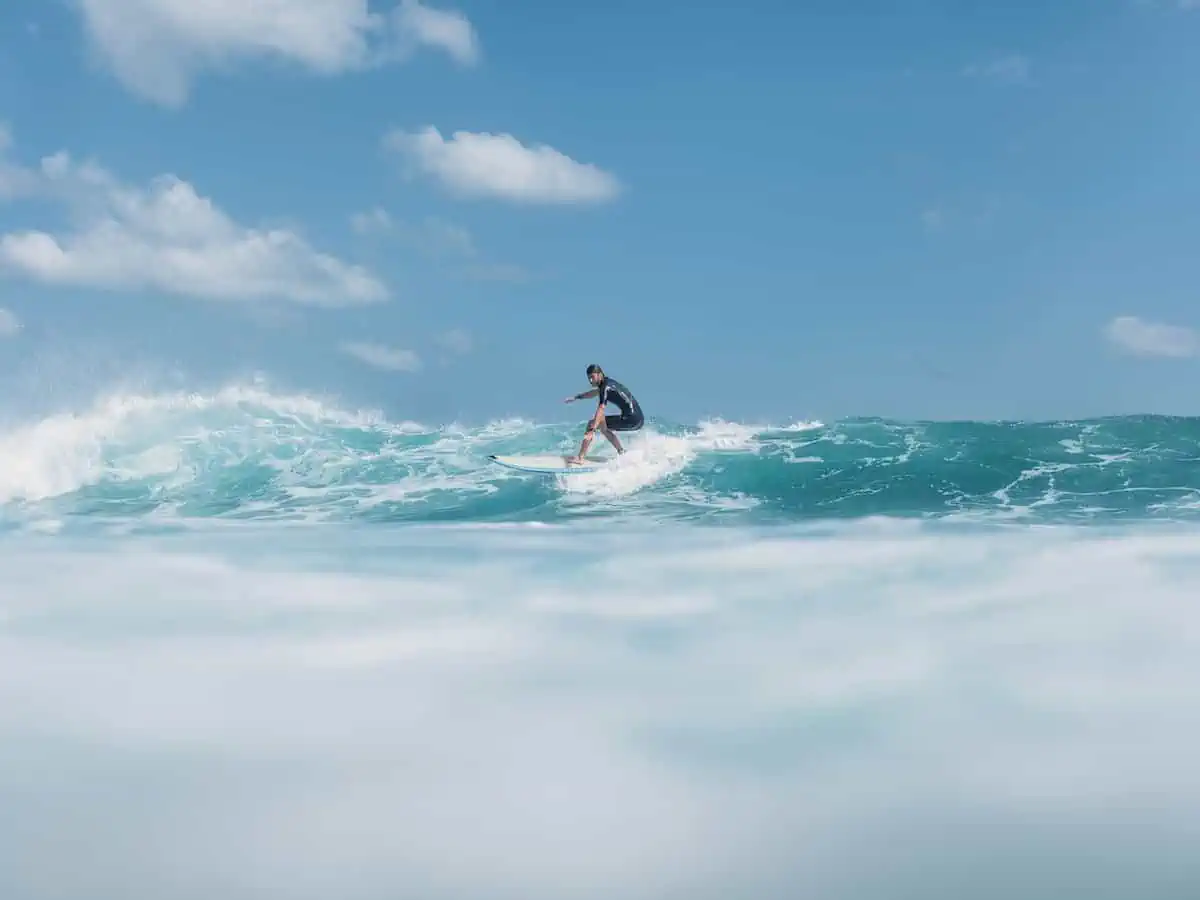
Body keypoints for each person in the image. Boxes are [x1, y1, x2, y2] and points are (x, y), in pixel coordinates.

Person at [563, 364, 644, 464]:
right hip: (637, 419)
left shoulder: (605, 387)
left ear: (600, 374)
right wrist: (577, 397)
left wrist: (592, 429)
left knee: (593, 424)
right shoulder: (607, 384)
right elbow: (594, 393)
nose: (591, 381)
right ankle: (622, 452)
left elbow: (601, 408)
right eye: (589, 378)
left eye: (592, 377)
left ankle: (580, 458)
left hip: (632, 419)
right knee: (603, 427)